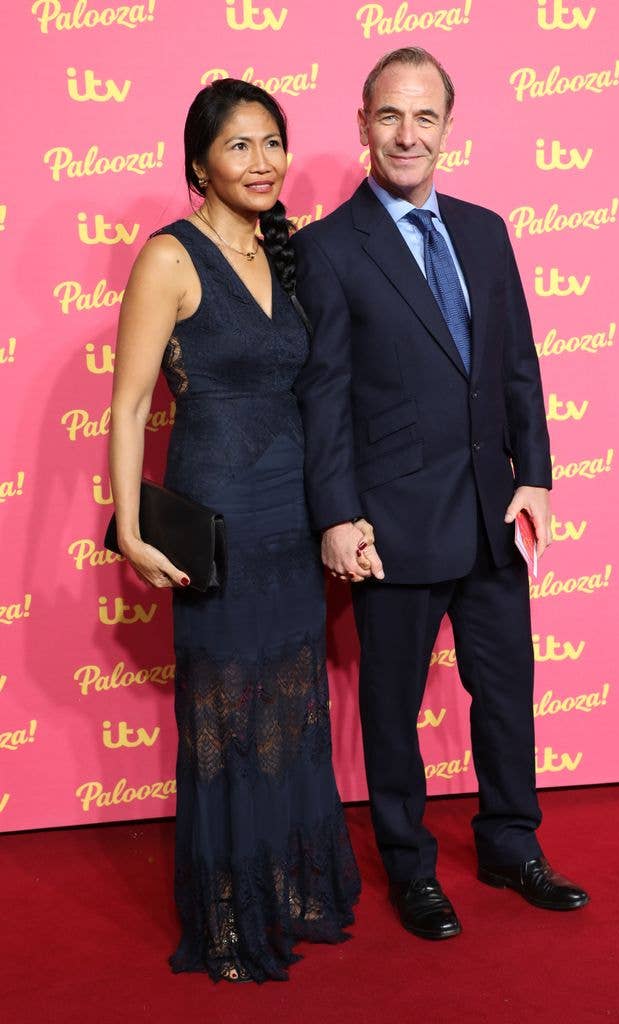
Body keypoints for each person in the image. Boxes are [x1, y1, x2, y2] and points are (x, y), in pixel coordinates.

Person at [293, 47, 588, 941]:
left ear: (448, 128)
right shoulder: (327, 249)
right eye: (390, 116)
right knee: (392, 706)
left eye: (425, 117)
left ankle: (510, 843)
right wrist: (340, 515)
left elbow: (517, 367)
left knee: (506, 691)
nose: (407, 134)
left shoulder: (486, 228)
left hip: (495, 513)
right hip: (391, 520)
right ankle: (411, 866)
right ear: (362, 125)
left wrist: (533, 472)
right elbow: (324, 396)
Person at [108, 79, 362, 983]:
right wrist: (133, 532)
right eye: (240, 147)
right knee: (222, 716)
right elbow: (131, 403)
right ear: (198, 167)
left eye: (272, 143)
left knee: (292, 708)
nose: (263, 163)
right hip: (215, 520)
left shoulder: (284, 252)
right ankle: (228, 916)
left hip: (292, 521)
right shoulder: (170, 259)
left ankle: (292, 890)